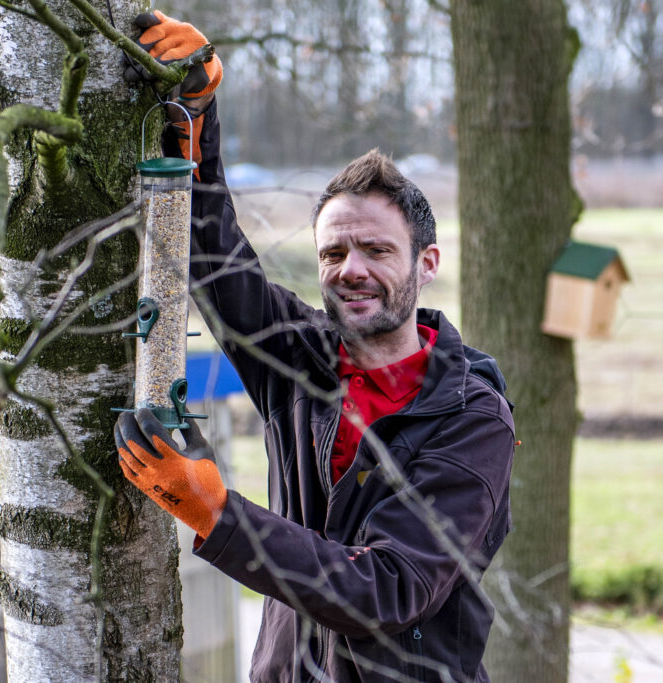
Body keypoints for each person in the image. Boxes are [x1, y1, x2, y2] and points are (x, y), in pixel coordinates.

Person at [114, 12, 515, 682]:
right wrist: (198, 113)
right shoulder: (299, 359)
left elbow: (389, 587)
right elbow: (216, 260)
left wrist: (219, 514)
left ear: (427, 263)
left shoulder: (470, 417)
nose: (351, 268)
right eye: (333, 251)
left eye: (377, 249)